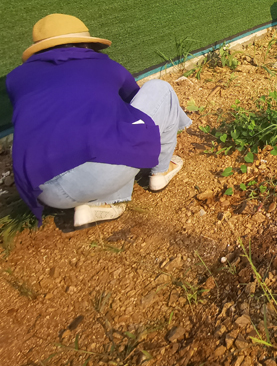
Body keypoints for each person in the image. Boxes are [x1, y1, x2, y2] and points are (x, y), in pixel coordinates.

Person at [7, 14, 191, 229]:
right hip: (94, 176)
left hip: (42, 189)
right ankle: (160, 172)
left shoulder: (15, 78)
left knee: (97, 131)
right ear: (85, 44)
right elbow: (135, 109)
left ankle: (97, 204)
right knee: (159, 90)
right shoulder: (104, 65)